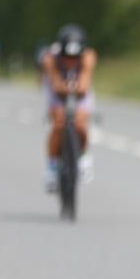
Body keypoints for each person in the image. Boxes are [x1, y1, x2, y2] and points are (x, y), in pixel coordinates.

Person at [43, 24, 96, 191]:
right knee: (59, 123)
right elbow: (56, 82)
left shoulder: (88, 56)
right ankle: (52, 168)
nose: (71, 60)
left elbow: (85, 82)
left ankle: (83, 158)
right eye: (67, 56)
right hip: (57, 95)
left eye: (75, 57)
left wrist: (77, 88)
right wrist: (64, 88)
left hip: (81, 95)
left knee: (81, 123)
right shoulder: (51, 58)